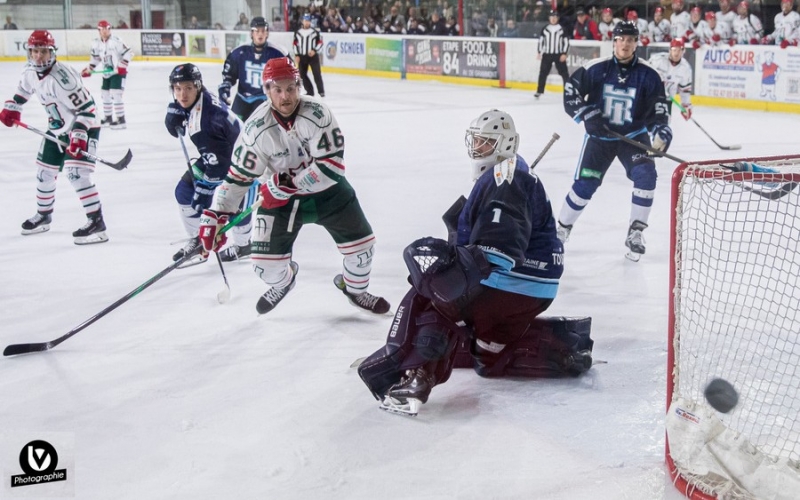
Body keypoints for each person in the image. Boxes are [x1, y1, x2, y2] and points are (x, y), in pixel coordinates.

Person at [357, 110, 592, 417]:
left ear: (505, 144)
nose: (478, 148)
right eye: (477, 141)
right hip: (535, 290)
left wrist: (453, 272)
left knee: (436, 296)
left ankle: (416, 376)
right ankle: (560, 347)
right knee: (486, 357)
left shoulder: (505, 176)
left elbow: (498, 251)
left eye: (486, 142)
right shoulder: (508, 174)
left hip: (510, 281)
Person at [198, 57, 390, 315]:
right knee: (264, 267)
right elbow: (237, 178)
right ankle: (285, 281)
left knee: (363, 251)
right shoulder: (255, 129)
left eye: (290, 88)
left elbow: (332, 167)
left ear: (299, 86)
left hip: (329, 194)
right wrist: (217, 214)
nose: (285, 96)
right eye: (277, 89)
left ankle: (354, 289)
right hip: (281, 204)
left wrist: (285, 184)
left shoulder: (318, 113)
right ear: (266, 91)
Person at [557, 21, 671, 261]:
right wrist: (587, 113)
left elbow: (658, 109)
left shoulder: (650, 75)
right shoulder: (597, 68)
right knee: (585, 186)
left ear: (636, 43)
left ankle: (636, 232)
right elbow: (570, 91)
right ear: (614, 42)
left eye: (630, 40)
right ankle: (561, 230)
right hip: (599, 139)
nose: (625, 44)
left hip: (632, 138)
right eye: (621, 39)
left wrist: (661, 129)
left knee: (646, 175)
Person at [0, 30, 108, 244]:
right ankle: (44, 215)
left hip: (84, 128)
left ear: (51, 52)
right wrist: (13, 108)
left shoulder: (63, 78)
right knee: (44, 173)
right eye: (34, 51)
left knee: (77, 174)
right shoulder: (30, 71)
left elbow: (88, 109)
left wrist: (78, 136)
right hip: (57, 129)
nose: (38, 56)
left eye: (43, 51)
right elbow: (23, 90)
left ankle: (96, 222)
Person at [164, 63, 244, 265]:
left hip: (246, 163)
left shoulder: (204, 123)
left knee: (236, 206)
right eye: (178, 88)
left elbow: (220, 166)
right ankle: (199, 241)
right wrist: (180, 114)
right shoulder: (201, 99)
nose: (182, 94)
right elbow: (216, 156)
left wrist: (205, 190)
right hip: (221, 152)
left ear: (198, 86)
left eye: (188, 88)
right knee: (184, 191)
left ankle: (245, 245)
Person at [220, 16, 287, 121]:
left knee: (259, 130)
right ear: (251, 33)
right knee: (235, 127)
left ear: (267, 33)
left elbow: (289, 77)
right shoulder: (239, 52)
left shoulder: (278, 53)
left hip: (264, 98)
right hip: (242, 98)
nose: (260, 34)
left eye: (263, 31)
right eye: (257, 31)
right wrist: (225, 87)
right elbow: (229, 74)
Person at [81, 20, 133, 129]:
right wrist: (89, 69)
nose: (105, 31)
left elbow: (128, 53)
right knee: (105, 94)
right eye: (102, 29)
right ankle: (108, 118)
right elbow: (96, 58)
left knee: (116, 94)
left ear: (110, 29)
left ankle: (121, 119)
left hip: (117, 73)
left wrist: (122, 66)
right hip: (107, 73)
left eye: (107, 29)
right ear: (99, 31)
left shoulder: (117, 41)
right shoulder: (96, 43)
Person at [648, 39, 693, 121]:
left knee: (663, 127)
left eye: (679, 50)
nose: (676, 53)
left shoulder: (685, 68)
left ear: (684, 51)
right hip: (650, 98)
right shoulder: (657, 60)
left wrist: (686, 105)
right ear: (669, 50)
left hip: (667, 100)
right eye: (674, 50)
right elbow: (644, 76)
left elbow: (685, 90)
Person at [535, 10, 570, 99]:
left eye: (555, 17)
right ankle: (539, 91)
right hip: (547, 54)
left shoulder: (562, 29)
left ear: (558, 18)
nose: (553, 19)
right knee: (543, 73)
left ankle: (568, 92)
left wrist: (564, 53)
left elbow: (566, 42)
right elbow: (541, 41)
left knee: (564, 73)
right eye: (552, 17)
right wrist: (539, 52)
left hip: (559, 54)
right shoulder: (545, 28)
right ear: (549, 18)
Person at [293, 14, 325, 97]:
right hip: (302, 56)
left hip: (313, 57)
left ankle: (321, 91)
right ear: (302, 21)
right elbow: (295, 44)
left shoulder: (315, 32)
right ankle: (310, 91)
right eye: (305, 21)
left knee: (317, 74)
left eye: (308, 21)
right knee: (302, 75)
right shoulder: (298, 32)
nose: (307, 23)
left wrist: (314, 50)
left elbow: (320, 42)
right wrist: (297, 54)